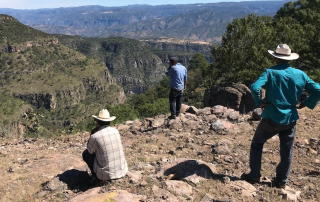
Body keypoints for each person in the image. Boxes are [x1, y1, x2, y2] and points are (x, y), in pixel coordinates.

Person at [241, 44, 320, 188]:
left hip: (271, 116)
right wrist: (305, 104)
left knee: (257, 143)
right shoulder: (300, 74)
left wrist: (260, 102)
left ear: (276, 58)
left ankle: (254, 176)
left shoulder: (270, 72)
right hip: (290, 118)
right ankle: (281, 181)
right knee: (286, 150)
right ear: (289, 59)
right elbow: (318, 90)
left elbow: (254, 87)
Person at [82, 109, 128, 181]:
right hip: (122, 171)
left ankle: (95, 176)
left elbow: (90, 151)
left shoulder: (95, 136)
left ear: (98, 122)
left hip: (105, 176)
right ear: (109, 122)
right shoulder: (116, 131)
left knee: (86, 154)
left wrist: (92, 134)